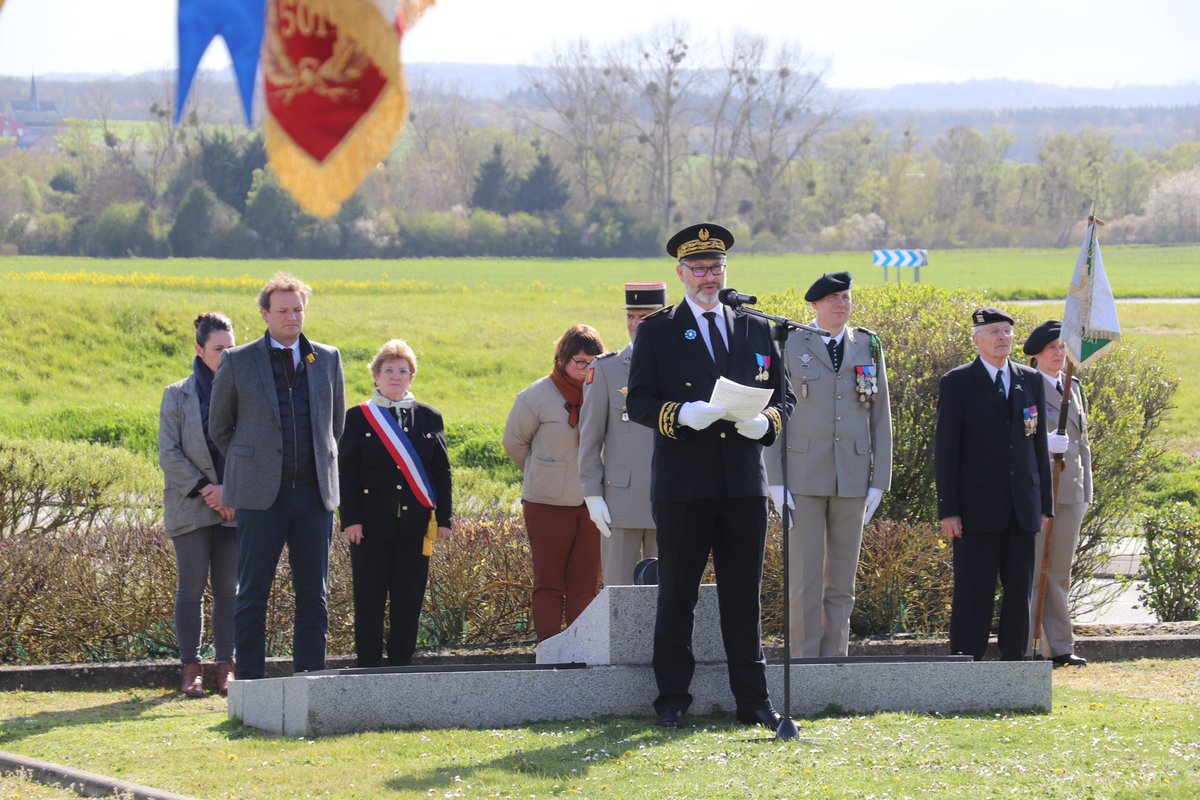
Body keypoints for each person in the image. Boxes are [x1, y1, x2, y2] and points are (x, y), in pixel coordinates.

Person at [627, 222, 793, 729]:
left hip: (742, 483)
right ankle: (673, 698)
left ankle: (754, 701)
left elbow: (782, 396)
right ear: (680, 273)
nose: (708, 276)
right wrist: (679, 414)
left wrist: (767, 422)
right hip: (684, 484)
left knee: (744, 596)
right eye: (698, 268)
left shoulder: (754, 328)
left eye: (716, 267)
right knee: (678, 593)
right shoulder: (658, 329)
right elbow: (638, 402)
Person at [209, 273, 345, 680]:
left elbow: (334, 427)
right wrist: (251, 463)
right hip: (258, 498)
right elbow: (219, 427)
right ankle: (250, 682)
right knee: (252, 594)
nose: (292, 316)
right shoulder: (238, 360)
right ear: (265, 313)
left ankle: (310, 681)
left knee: (313, 596)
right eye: (283, 310)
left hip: (313, 495)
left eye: (298, 309)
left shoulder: (328, 357)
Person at [766, 271, 892, 658]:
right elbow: (771, 409)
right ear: (815, 305)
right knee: (804, 577)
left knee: (841, 579)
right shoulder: (790, 342)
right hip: (802, 476)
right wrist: (774, 480)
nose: (841, 304)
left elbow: (880, 416)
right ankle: (803, 660)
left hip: (852, 476)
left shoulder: (867, 345)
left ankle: (835, 659)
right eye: (832, 298)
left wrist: (879, 480)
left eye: (846, 297)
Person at [934, 307, 1053, 661]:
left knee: (1019, 591)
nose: (1003, 338)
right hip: (976, 508)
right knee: (974, 590)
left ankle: (1014, 663)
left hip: (1022, 506)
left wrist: (1043, 504)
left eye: (1007, 332)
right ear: (976, 339)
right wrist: (949, 510)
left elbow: (1038, 446)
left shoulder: (1029, 379)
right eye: (995, 332)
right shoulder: (958, 382)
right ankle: (966, 662)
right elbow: (946, 452)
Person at [338, 339, 453, 667]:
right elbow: (346, 473)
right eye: (388, 370)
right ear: (375, 376)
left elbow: (441, 472)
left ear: (411, 377)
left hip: (416, 526)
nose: (396, 376)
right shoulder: (359, 418)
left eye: (403, 371)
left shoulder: (429, 417)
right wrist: (351, 519)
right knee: (370, 599)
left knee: (408, 599)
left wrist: (443, 519)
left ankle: (401, 664)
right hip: (370, 525)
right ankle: (369, 667)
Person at [503, 324, 606, 642]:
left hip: (593, 505)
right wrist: (543, 472)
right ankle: (548, 649)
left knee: (586, 584)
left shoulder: (603, 392)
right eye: (579, 361)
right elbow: (514, 443)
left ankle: (581, 650)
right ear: (562, 359)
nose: (585, 368)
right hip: (546, 504)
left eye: (593, 361)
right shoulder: (536, 396)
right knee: (549, 583)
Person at [158, 312, 239, 697]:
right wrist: (209, 490)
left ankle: (226, 666)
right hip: (191, 505)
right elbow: (169, 453)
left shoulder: (245, 391)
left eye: (231, 348)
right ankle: (191, 667)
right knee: (190, 587)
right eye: (218, 348)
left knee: (229, 589)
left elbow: (251, 448)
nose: (225, 355)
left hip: (236, 506)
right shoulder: (176, 394)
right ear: (199, 350)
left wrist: (232, 492)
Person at [578, 281, 666, 587]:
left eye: (644, 316)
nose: (635, 324)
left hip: (670, 497)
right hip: (622, 501)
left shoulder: (680, 367)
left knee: (669, 593)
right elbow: (589, 438)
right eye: (630, 316)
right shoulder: (607, 370)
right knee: (620, 595)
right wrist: (592, 492)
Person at [1023, 320, 1091, 667]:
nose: (1058, 353)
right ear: (1035, 355)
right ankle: (1030, 644)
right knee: (1036, 572)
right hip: (1040, 490)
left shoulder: (1072, 386)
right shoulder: (1027, 385)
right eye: (1051, 348)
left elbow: (1083, 445)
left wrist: (1086, 491)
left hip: (1070, 491)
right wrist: (1043, 445)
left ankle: (1060, 646)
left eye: (1062, 347)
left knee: (1059, 572)